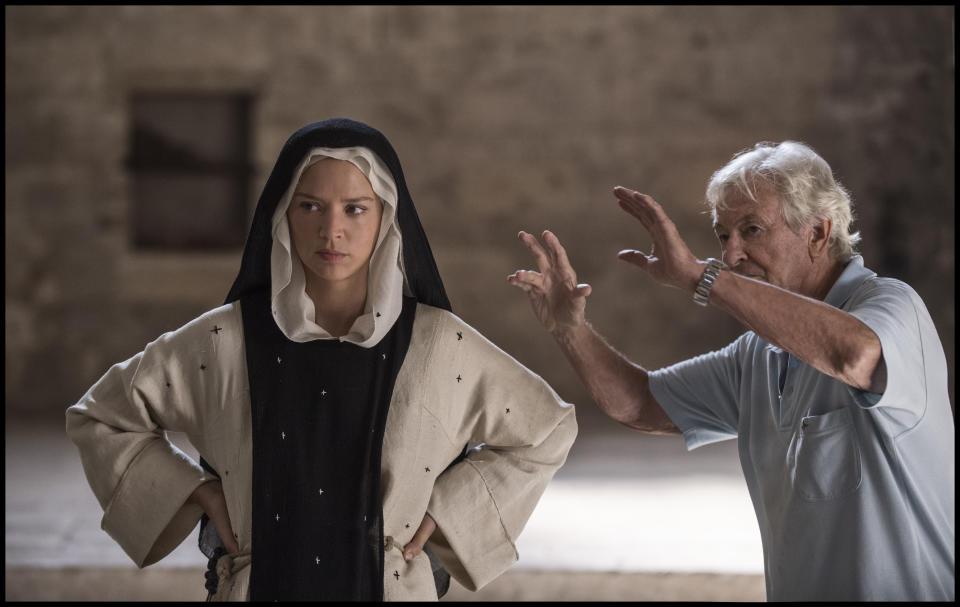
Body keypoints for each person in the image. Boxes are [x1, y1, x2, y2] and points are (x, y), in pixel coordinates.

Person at [66, 118, 577, 601]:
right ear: (283, 215)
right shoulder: (224, 340)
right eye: (310, 206)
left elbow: (547, 428)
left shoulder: (440, 345)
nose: (332, 230)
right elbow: (103, 416)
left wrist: (451, 513)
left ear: (386, 218)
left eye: (355, 208)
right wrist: (200, 492)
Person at [509, 140, 954, 601]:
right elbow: (638, 402)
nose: (732, 254)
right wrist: (570, 329)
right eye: (724, 236)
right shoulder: (757, 355)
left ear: (818, 234)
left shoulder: (894, 307)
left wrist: (703, 279)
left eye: (752, 229)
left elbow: (855, 357)